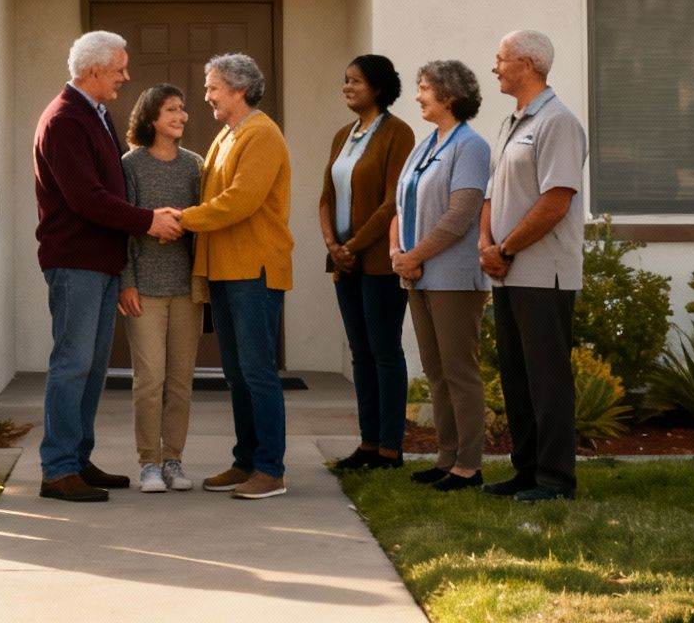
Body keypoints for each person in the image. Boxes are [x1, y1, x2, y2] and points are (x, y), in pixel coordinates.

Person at [32, 31, 183, 503]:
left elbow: (107, 189)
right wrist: (148, 222)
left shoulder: (93, 115)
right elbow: (86, 198)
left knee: (92, 368)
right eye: (119, 68)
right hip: (75, 262)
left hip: (98, 263)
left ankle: (77, 459)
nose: (126, 76)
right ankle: (57, 470)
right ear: (94, 70)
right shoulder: (64, 120)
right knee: (72, 364)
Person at [478, 30, 588, 503]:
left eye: (501, 59)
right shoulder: (510, 124)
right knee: (517, 376)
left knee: (547, 379)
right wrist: (487, 245)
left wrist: (504, 250)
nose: (495, 67)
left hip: (544, 274)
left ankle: (555, 479)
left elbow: (556, 200)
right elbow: (490, 194)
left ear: (525, 63)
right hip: (506, 271)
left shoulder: (558, 123)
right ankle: (525, 471)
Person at [181, 53, 294, 501]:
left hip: (255, 270)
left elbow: (240, 201)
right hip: (226, 270)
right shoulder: (227, 135)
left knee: (258, 371)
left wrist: (182, 219)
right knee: (237, 373)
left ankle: (270, 469)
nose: (206, 95)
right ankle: (246, 460)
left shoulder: (261, 134)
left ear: (238, 89)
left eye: (213, 87)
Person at [391, 59, 495, 493]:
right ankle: (446, 457)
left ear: (449, 96)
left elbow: (459, 216)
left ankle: (469, 465)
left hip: (453, 276)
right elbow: (400, 205)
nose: (417, 95)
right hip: (417, 274)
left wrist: (413, 255)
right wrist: (399, 254)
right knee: (435, 370)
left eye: (424, 88)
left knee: (459, 371)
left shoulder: (470, 146)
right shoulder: (426, 142)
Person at [318, 55, 416, 472]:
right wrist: (333, 244)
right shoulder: (343, 134)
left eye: (355, 81)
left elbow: (393, 200)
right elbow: (326, 196)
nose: (347, 87)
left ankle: (390, 450)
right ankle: (368, 443)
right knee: (360, 353)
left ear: (377, 87)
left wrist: (354, 245)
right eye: (345, 81)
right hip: (345, 263)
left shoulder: (398, 133)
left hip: (377, 262)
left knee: (384, 351)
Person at [119, 83, 204, 493]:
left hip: (187, 289)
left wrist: (180, 224)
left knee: (181, 380)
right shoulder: (130, 165)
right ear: (151, 117)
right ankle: (148, 462)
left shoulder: (194, 166)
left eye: (183, 109)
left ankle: (174, 459)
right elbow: (124, 230)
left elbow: (206, 221)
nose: (181, 116)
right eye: (172, 109)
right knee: (149, 379)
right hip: (145, 290)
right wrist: (126, 282)